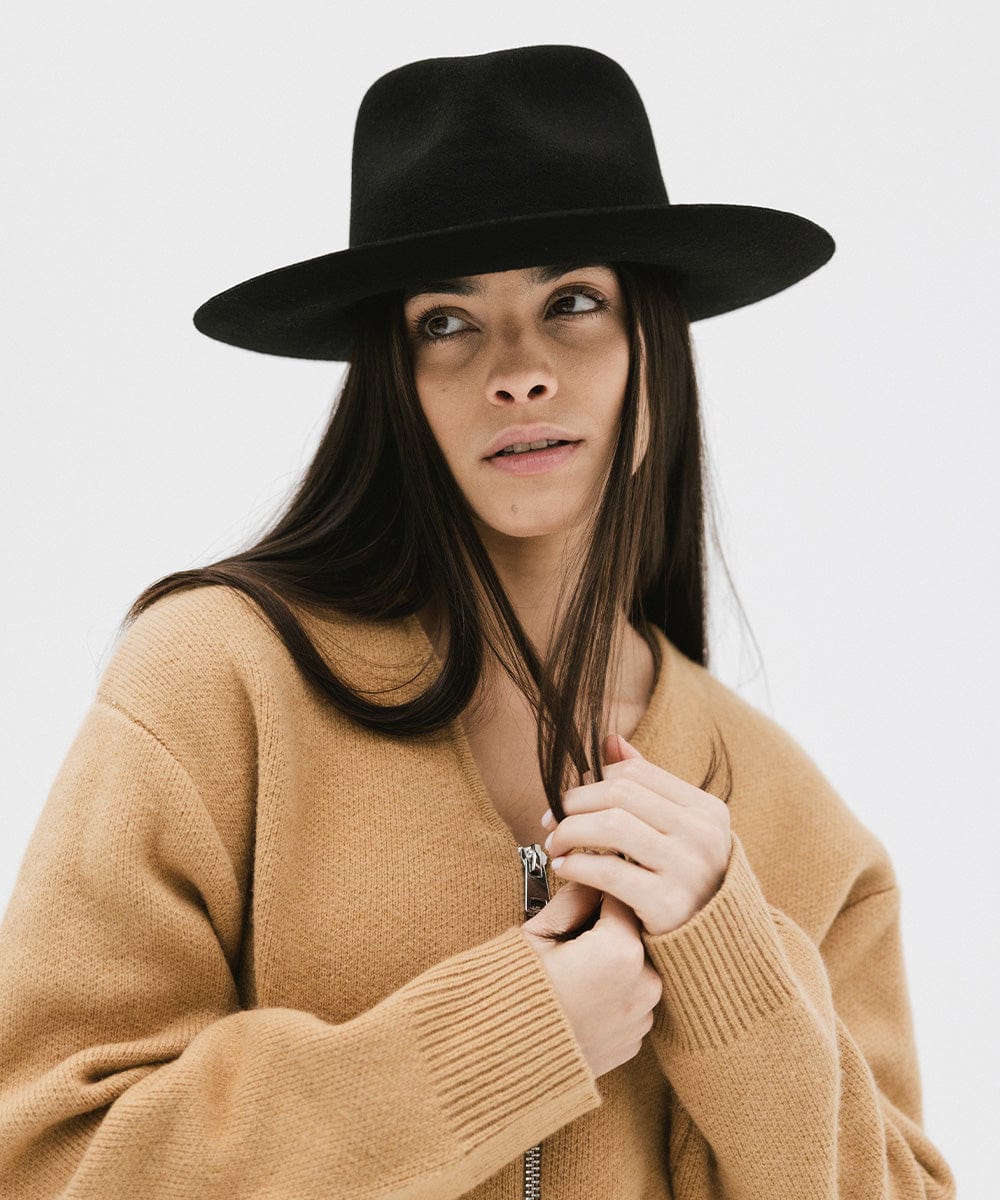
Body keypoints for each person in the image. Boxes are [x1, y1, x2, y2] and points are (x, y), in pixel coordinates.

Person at [0, 43, 955, 1200]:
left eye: (573, 303)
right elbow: (44, 1157)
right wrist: (497, 1046)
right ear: (392, 377)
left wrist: (735, 972)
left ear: (655, 343)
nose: (518, 372)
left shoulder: (792, 818)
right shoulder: (215, 683)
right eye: (447, 321)